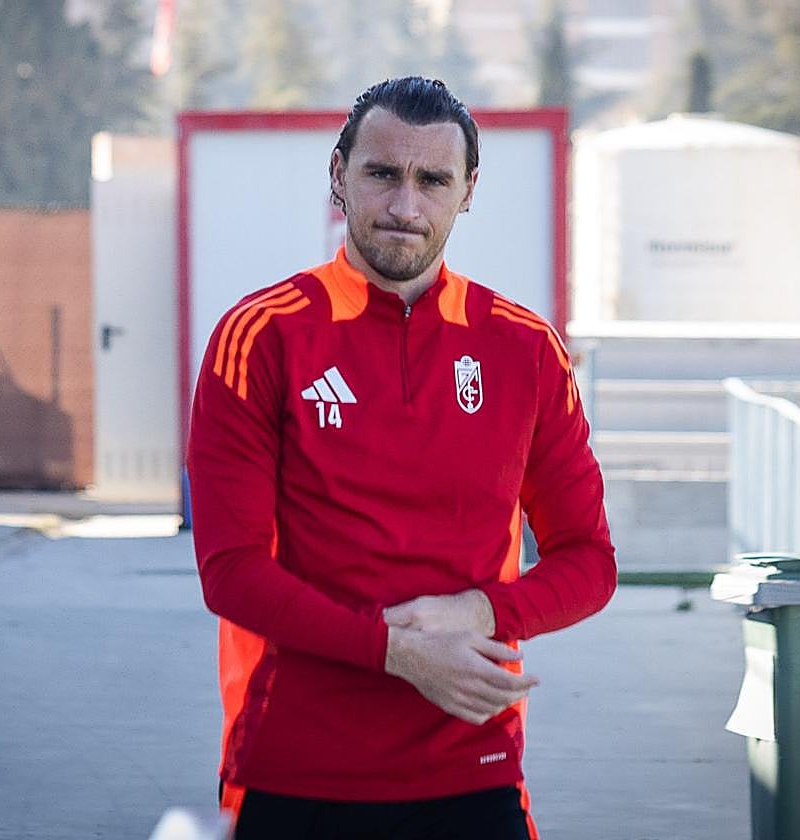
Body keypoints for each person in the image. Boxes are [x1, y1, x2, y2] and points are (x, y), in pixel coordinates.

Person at [186, 76, 617, 840]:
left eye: (433, 181)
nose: (404, 206)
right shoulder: (260, 337)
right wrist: (396, 653)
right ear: (339, 174)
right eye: (382, 173)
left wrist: (483, 612)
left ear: (469, 190)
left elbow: (589, 561)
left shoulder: (525, 349)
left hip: (472, 765)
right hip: (296, 765)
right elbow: (231, 572)